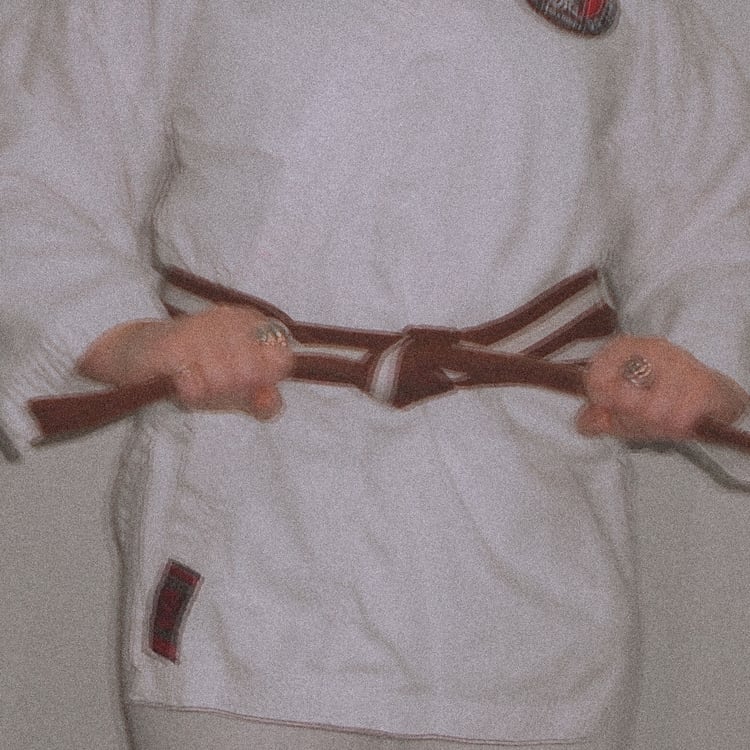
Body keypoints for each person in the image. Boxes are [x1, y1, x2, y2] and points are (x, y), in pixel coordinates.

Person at [1, 1, 748, 748]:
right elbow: (34, 168)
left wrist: (703, 369)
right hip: (253, 542)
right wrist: (131, 341)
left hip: (528, 554)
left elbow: (712, 214)